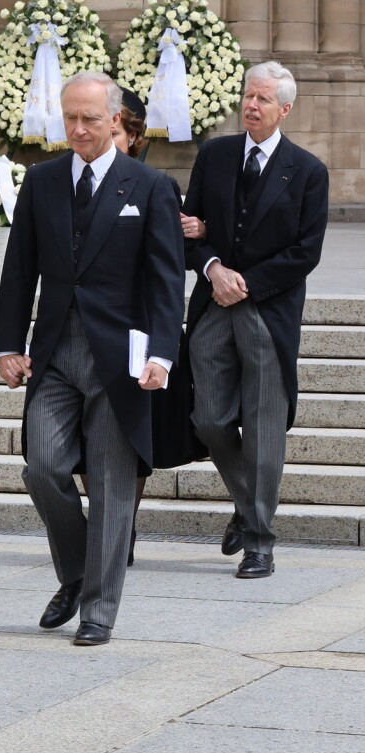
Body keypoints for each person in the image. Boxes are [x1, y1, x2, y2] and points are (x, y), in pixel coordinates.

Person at [0, 72, 185, 646]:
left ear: (118, 121)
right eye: (69, 118)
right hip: (54, 352)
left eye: (90, 120)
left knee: (110, 483)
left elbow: (165, 279)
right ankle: (77, 573)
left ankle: (99, 609)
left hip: (120, 361)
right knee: (43, 466)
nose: (77, 129)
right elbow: (19, 268)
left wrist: (162, 355)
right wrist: (8, 344)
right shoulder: (42, 182)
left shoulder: (148, 186)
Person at [181, 61, 329, 578]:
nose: (251, 105)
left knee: (265, 431)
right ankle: (248, 508)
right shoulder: (215, 154)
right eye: (248, 96)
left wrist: (246, 282)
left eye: (263, 99)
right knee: (210, 420)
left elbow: (305, 252)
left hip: (267, 312)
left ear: (284, 109)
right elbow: (188, 231)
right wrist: (213, 267)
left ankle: (260, 543)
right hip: (211, 310)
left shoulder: (308, 171)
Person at [72, 89, 206, 566]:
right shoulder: (74, 184)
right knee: (88, 440)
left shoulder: (155, 186)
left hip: (142, 330)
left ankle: (121, 527)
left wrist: (160, 343)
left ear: (130, 136)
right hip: (89, 330)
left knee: (134, 435)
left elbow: (166, 267)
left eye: (124, 135)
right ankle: (101, 519)